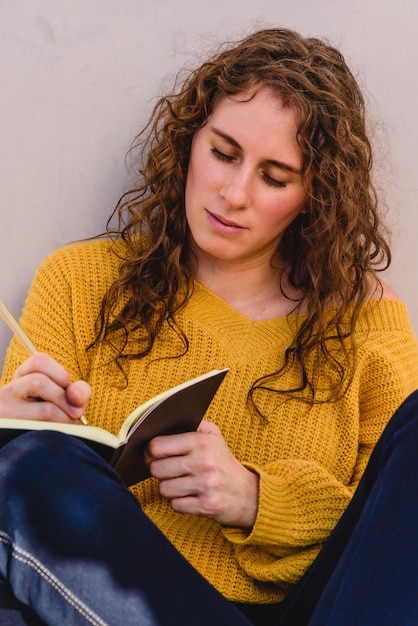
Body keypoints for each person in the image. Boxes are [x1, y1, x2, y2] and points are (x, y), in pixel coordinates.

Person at [0, 26, 417, 626]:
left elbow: (386, 531)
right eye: (223, 153)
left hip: (310, 611)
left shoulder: (365, 320)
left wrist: (254, 499)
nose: (234, 192)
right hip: (112, 599)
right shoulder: (80, 280)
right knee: (28, 464)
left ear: (313, 197)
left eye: (274, 177)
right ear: (189, 142)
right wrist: (11, 431)